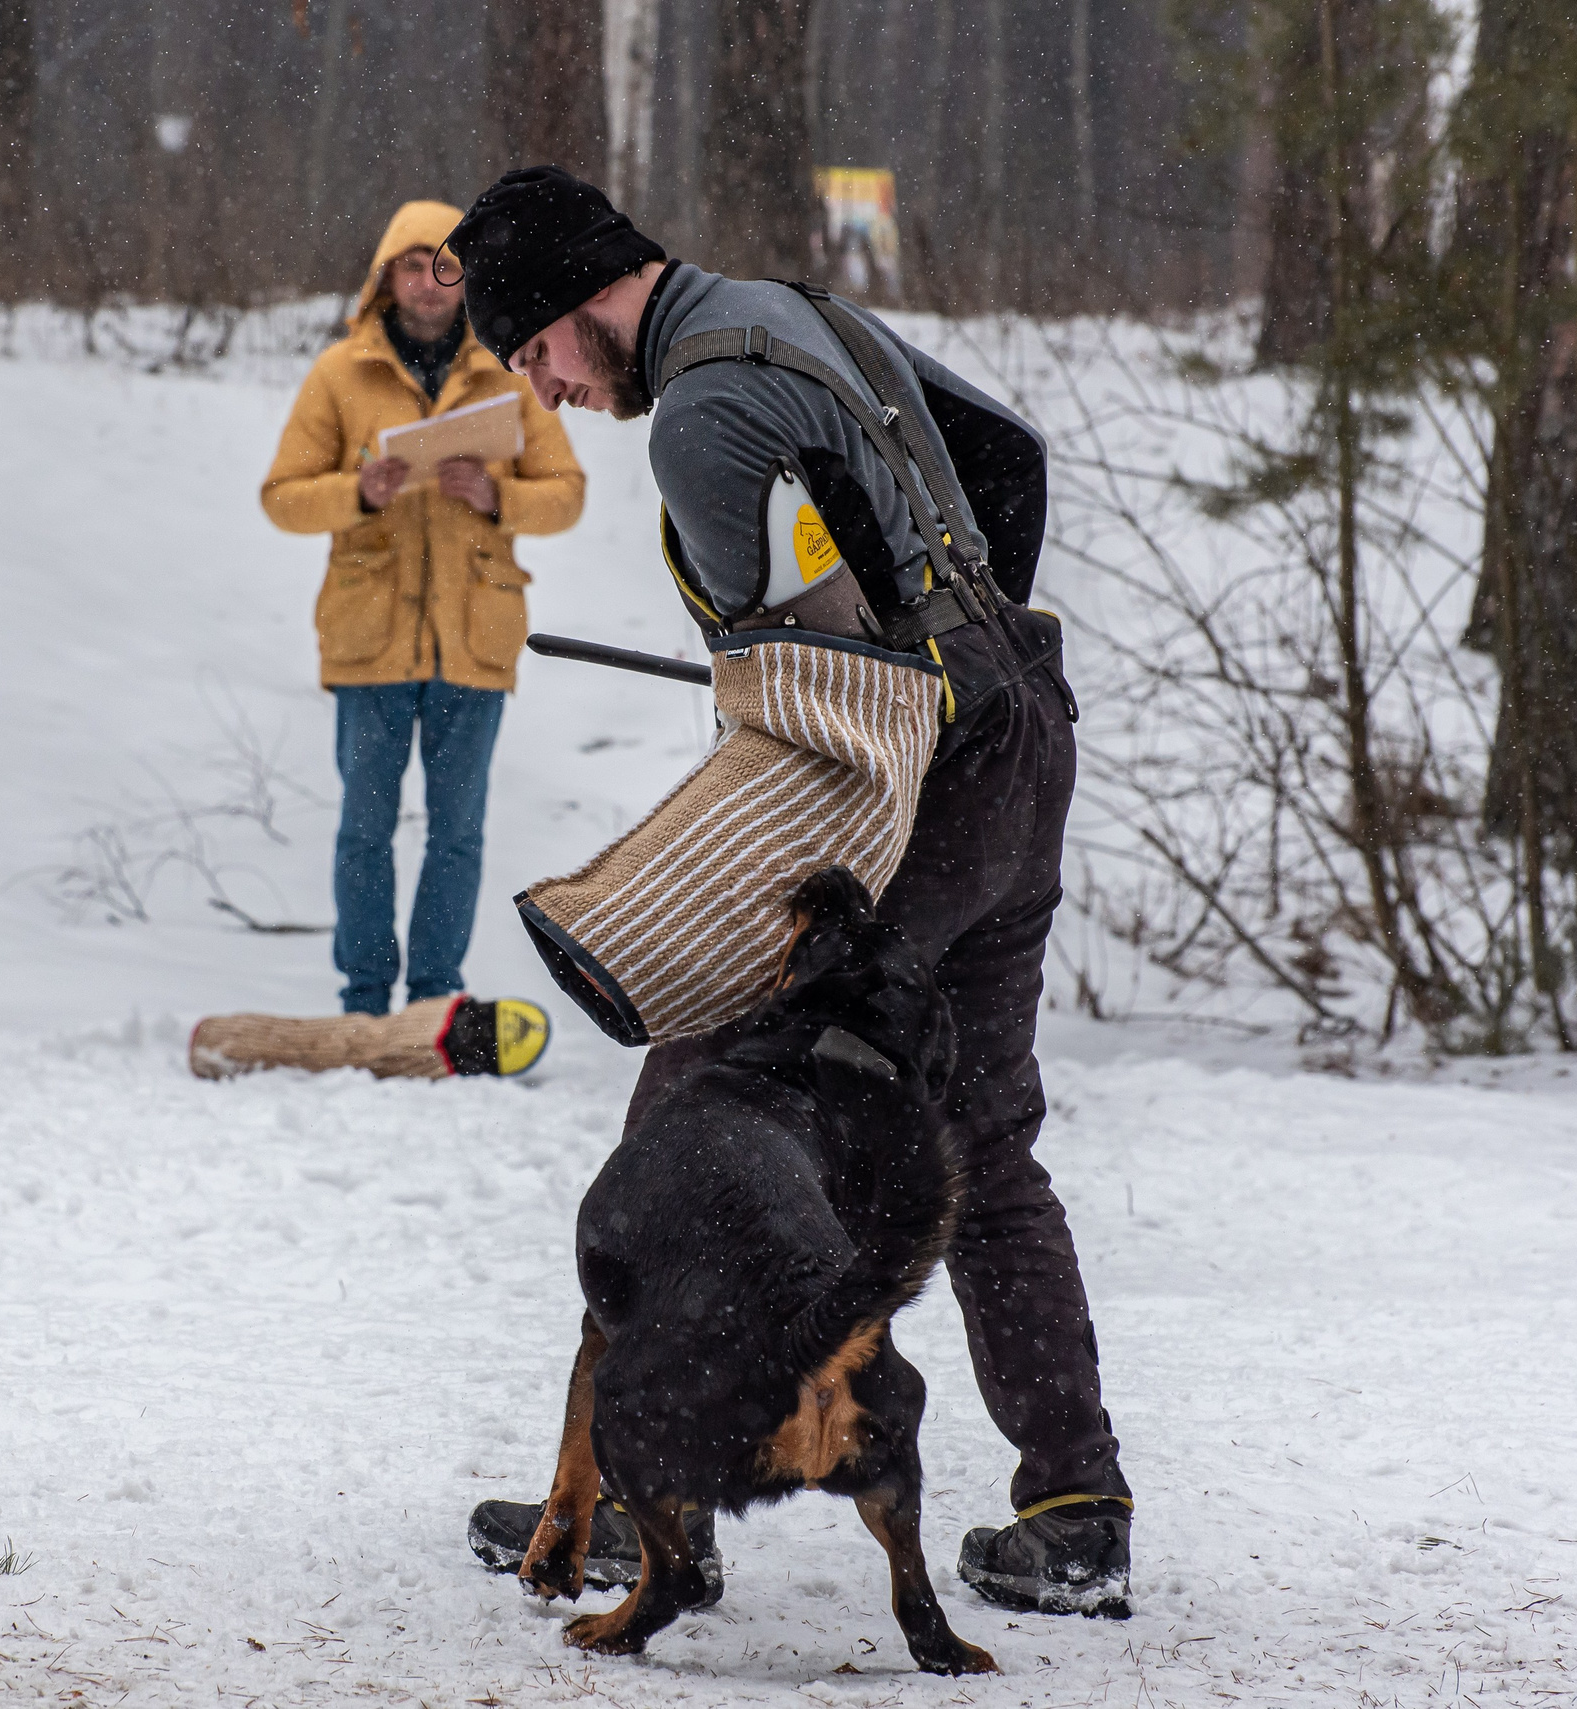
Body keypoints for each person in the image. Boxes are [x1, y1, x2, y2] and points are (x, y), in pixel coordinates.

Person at [447, 168, 1135, 1619]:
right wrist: (960, 639)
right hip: (1023, 724)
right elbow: (1005, 456)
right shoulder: (791, 313)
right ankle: (1075, 1506)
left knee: (695, 1109)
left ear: (580, 302)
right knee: (985, 1121)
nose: (549, 392)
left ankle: (638, 1506)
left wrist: (881, 701)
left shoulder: (698, 417)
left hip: (922, 787)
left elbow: (814, 694)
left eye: (536, 357)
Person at [261, 200, 585, 1016]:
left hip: (475, 637)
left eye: (446, 268)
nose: (430, 285)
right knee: (365, 831)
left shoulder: (508, 369)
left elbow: (567, 496)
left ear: (467, 278)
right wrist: (358, 493)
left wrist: (495, 495)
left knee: (458, 832)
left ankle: (437, 994)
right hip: (370, 637)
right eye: (413, 266)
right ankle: (366, 998)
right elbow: (282, 498)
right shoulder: (340, 374)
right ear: (386, 277)